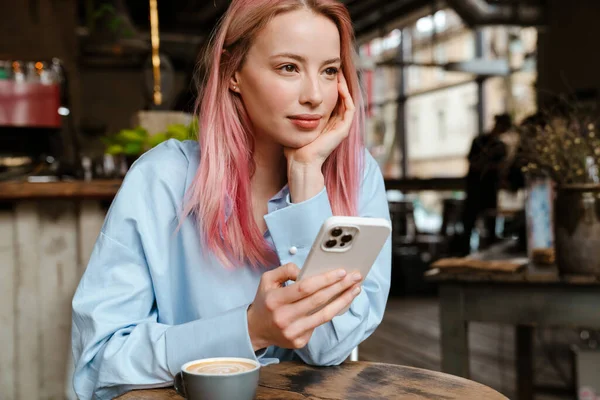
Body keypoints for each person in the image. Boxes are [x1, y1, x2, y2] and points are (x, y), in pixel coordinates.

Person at [70, 1, 392, 399]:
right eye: (288, 67)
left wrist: (308, 179)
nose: (315, 95)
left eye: (329, 71)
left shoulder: (357, 176)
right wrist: (250, 329)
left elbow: (329, 347)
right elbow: (101, 360)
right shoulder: (162, 179)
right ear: (232, 71)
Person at [460, 114, 510, 254]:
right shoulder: (480, 141)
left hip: (489, 190)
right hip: (475, 188)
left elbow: (501, 168)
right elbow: (473, 162)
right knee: (468, 224)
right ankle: (463, 254)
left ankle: (489, 254)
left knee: (491, 225)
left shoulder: (501, 147)